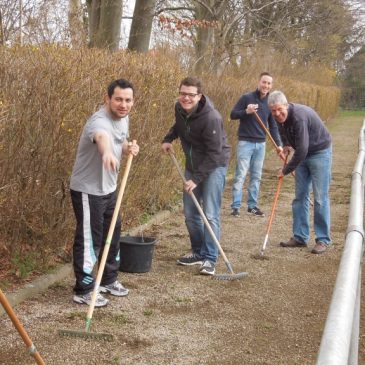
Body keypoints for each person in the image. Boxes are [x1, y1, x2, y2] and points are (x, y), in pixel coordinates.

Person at [70, 79, 139, 306]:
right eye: (118, 99)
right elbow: (102, 137)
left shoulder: (123, 117)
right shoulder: (98, 121)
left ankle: (108, 280)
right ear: (107, 99)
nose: (123, 104)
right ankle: (85, 288)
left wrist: (126, 147)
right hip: (88, 191)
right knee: (91, 239)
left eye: (128, 100)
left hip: (109, 188)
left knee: (113, 234)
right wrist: (107, 153)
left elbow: (119, 139)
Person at [161, 77, 230, 276]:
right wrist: (168, 138)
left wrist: (196, 179)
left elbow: (215, 153)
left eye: (191, 95)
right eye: (183, 93)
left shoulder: (211, 118)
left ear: (199, 96)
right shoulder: (179, 108)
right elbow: (179, 126)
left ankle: (210, 258)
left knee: (210, 214)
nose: (186, 98)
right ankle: (198, 251)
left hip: (214, 165)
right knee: (191, 214)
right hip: (193, 165)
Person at [268, 90, 332, 254]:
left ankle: (323, 239)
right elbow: (284, 132)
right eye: (273, 111)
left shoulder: (299, 116)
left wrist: (286, 170)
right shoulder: (278, 118)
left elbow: (302, 149)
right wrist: (286, 145)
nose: (277, 113)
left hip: (319, 152)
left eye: (280, 109)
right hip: (302, 154)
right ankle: (300, 237)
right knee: (300, 197)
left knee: (319, 198)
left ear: (286, 105)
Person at [230, 72, 283, 218]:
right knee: (241, 174)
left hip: (261, 144)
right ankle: (235, 206)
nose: (266, 85)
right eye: (264, 82)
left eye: (269, 83)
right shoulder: (247, 98)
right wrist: (246, 111)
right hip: (245, 142)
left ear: (271, 86)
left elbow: (273, 126)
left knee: (256, 176)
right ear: (259, 82)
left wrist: (278, 144)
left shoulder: (270, 103)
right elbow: (233, 114)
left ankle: (252, 206)